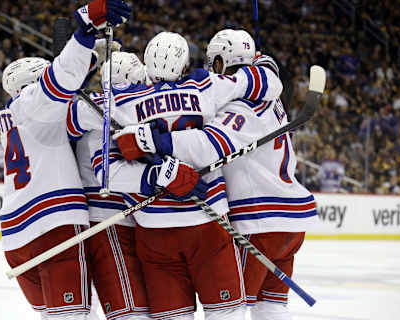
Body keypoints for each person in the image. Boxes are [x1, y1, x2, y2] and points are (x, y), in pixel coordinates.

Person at [115, 29, 317, 320]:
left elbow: (211, 146)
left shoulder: (240, 106)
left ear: (221, 62)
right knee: (270, 308)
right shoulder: (264, 91)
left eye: (213, 62)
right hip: (289, 221)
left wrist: (158, 141)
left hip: (258, 220)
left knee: (230, 312)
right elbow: (265, 77)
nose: (210, 69)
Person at [0, 2, 131, 319]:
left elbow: (65, 99)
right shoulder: (37, 102)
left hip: (15, 237)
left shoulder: (8, 119)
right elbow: (65, 80)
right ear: (34, 81)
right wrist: (85, 29)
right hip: (53, 225)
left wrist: (91, 60)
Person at [70, 51, 151, 320]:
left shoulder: (95, 106)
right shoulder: (100, 107)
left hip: (114, 221)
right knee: (131, 313)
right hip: (108, 221)